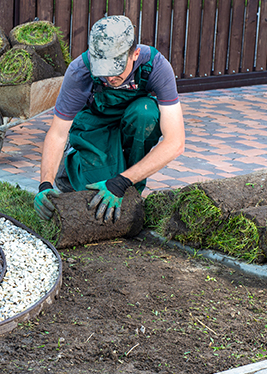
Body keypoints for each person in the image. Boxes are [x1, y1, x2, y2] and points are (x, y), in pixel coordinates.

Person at [34, 15, 185, 223]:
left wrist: (122, 182)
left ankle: (129, 184)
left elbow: (175, 142)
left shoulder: (156, 67)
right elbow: (58, 133)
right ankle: (69, 171)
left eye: (115, 70)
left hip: (131, 122)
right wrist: (45, 184)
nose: (109, 78)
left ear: (135, 54)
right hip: (95, 125)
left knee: (146, 112)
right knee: (96, 194)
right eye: (103, 71)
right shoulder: (80, 71)